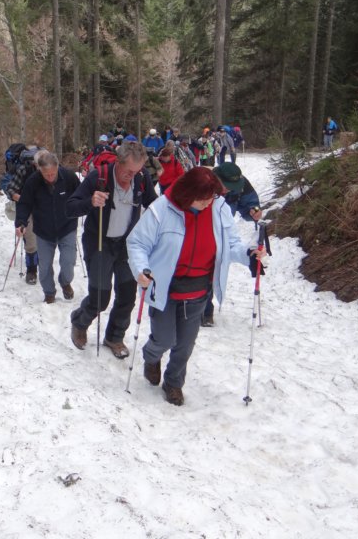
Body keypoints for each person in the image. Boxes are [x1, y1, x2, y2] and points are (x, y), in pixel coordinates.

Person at [127, 167, 267, 406]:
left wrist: (249, 255)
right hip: (164, 287)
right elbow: (137, 243)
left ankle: (173, 382)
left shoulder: (219, 208)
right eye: (203, 199)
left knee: (185, 345)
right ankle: (151, 356)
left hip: (198, 288)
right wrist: (141, 269)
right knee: (164, 339)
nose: (208, 203)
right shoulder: (161, 209)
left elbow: (231, 244)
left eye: (211, 197)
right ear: (187, 193)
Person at [67, 142, 157, 358]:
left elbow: (154, 205)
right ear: (118, 162)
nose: (132, 176)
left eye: (136, 171)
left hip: (127, 244)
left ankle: (114, 337)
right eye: (128, 171)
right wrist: (90, 201)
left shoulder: (141, 178)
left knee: (127, 296)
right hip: (99, 242)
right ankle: (80, 321)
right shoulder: (98, 177)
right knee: (100, 296)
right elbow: (70, 207)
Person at [201, 162, 263, 327]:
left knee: (212, 271)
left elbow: (251, 203)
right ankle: (201, 310)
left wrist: (254, 211)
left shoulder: (240, 183)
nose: (229, 190)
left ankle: (205, 311)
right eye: (226, 186)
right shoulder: (202, 185)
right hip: (200, 231)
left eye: (233, 187)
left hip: (223, 230)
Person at [15, 150, 80, 303]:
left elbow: (81, 194)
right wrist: (21, 222)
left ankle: (65, 282)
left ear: (58, 167)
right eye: (46, 174)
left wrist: (82, 207)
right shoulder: (33, 181)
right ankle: (49, 293)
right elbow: (24, 204)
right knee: (44, 266)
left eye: (53, 174)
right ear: (40, 170)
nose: (50, 177)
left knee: (69, 262)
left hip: (67, 227)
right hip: (43, 230)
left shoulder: (69, 177)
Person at [5, 145, 39, 284]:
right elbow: (10, 188)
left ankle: (42, 262)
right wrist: (16, 196)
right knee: (30, 241)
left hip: (44, 209)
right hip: (26, 209)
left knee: (45, 239)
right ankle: (31, 271)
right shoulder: (24, 169)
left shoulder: (51, 168)